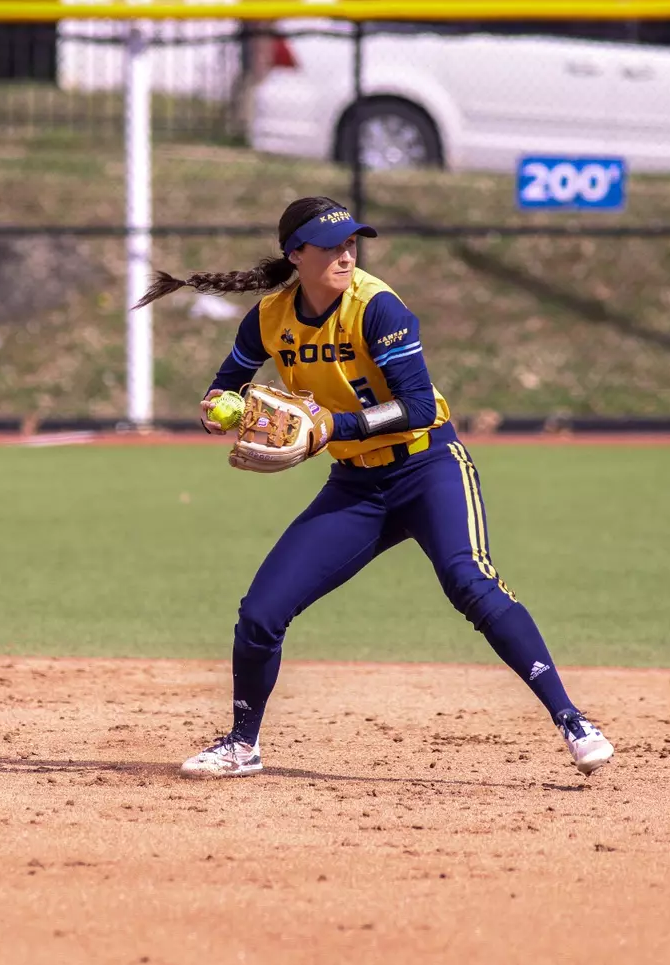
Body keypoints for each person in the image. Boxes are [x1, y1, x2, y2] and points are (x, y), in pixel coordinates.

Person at [133, 195, 615, 779]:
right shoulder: (269, 318)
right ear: (296, 254)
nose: (345, 253)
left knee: (470, 582)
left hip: (427, 467)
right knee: (261, 613)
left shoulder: (376, 307)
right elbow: (223, 389)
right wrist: (218, 412)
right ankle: (242, 743)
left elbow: (414, 406)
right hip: (357, 487)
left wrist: (331, 425)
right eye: (331, 245)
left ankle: (572, 721)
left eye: (351, 242)